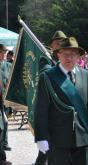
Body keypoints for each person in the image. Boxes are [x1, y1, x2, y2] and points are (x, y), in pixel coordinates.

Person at [34, 37, 88, 165]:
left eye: (73, 54)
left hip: (83, 138)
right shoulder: (47, 77)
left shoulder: (84, 74)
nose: (69, 58)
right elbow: (41, 109)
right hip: (58, 139)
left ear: (79, 56)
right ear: (58, 55)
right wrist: (41, 137)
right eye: (65, 54)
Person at [35, 30, 67, 165]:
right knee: (47, 150)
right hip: (51, 108)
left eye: (63, 43)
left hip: (65, 111)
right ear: (52, 45)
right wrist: (57, 68)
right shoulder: (46, 59)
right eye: (57, 43)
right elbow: (44, 73)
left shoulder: (67, 59)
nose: (60, 45)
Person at [0, 44, 12, 151]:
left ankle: (3, 143)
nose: (5, 54)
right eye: (2, 52)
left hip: (5, 98)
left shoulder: (9, 66)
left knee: (5, 121)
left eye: (6, 52)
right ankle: (0, 143)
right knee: (1, 122)